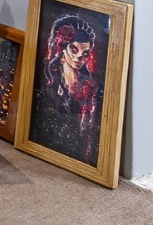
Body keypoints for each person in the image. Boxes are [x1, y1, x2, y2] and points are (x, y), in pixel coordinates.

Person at [34, 15, 102, 163]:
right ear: (63, 48)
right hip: (43, 147)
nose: (79, 58)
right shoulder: (47, 78)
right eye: (74, 49)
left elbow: (88, 130)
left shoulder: (89, 86)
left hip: (75, 153)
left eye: (85, 54)